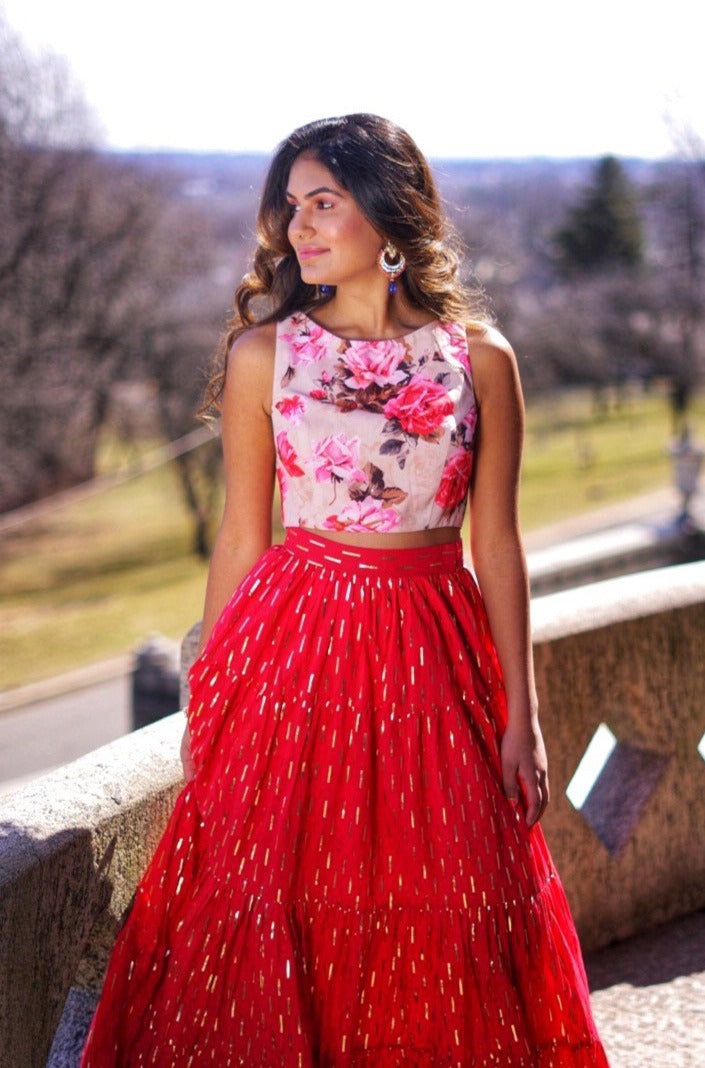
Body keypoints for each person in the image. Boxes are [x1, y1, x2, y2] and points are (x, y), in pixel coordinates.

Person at [80, 114, 610, 1066]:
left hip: (434, 649)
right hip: (294, 649)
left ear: (388, 210)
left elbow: (497, 544)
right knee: (280, 892)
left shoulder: (479, 357)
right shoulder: (265, 354)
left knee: (447, 887)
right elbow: (243, 534)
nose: (299, 227)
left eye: (323, 202)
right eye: (290, 207)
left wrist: (520, 717)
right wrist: (211, 687)